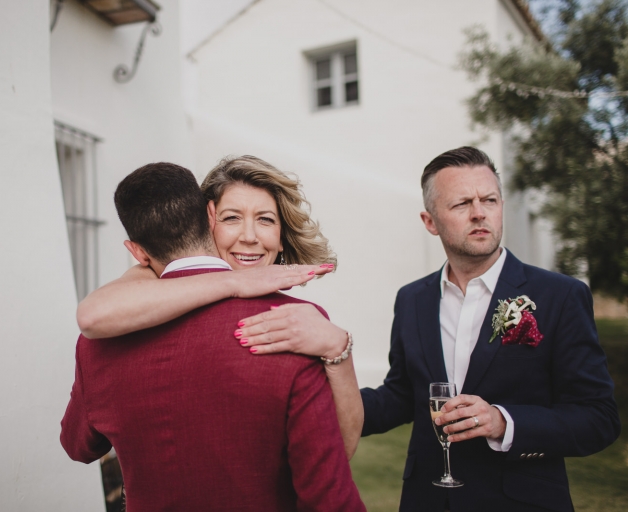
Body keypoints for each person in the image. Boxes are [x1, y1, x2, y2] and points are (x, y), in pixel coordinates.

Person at [238, 146, 621, 512]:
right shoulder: (413, 299)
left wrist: (503, 421)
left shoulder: (560, 296)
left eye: (489, 200)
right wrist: (318, 399)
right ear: (430, 221)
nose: (479, 214)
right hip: (427, 500)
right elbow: (402, 395)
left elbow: (598, 418)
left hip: (520, 502)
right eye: (461, 204)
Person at [60, 162, 366, 511]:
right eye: (232, 217)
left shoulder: (300, 325)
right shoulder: (116, 316)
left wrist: (337, 348)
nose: (249, 235)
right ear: (207, 218)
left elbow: (77, 444)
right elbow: (329, 485)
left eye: (266, 219)